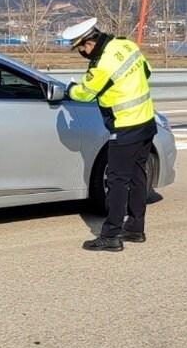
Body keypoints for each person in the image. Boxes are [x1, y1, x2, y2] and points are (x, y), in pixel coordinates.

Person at [62, 18, 156, 252]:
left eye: (80, 48)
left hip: (125, 127)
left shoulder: (102, 65)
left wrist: (69, 89)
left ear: (89, 43)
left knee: (116, 181)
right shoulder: (125, 45)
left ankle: (111, 235)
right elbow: (148, 70)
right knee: (137, 175)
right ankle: (135, 228)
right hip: (146, 120)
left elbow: (84, 94)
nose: (82, 53)